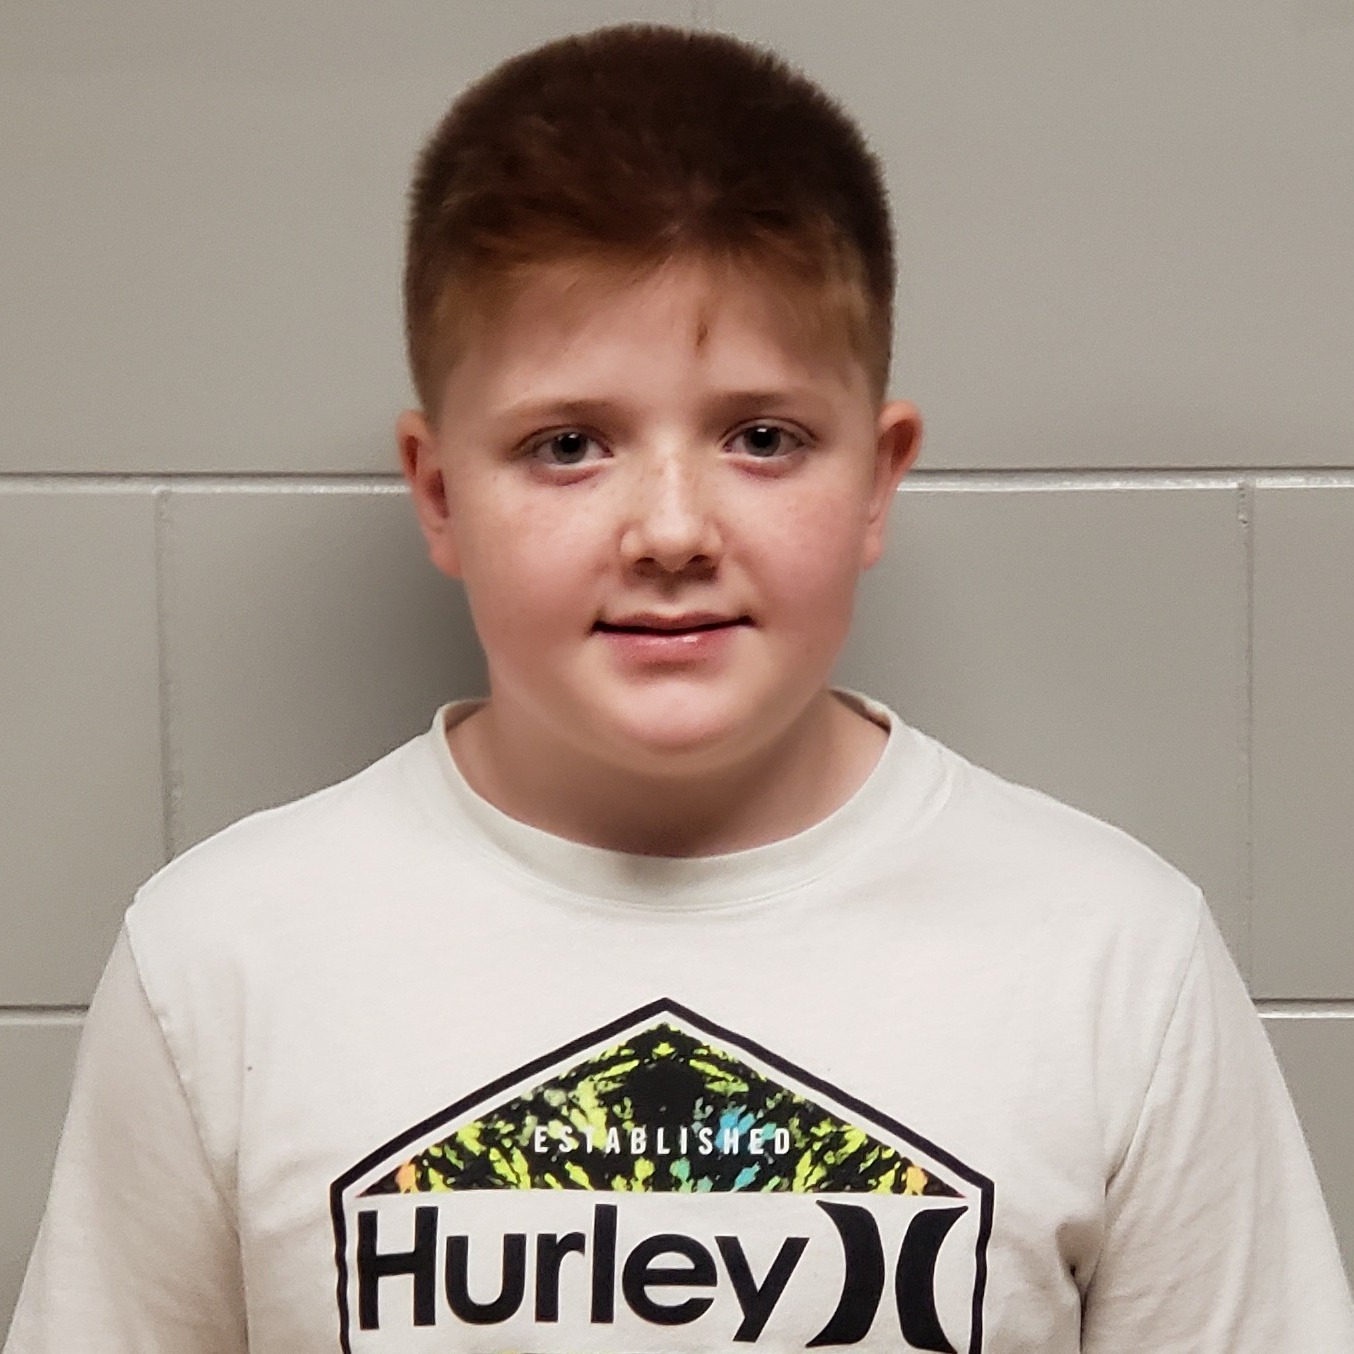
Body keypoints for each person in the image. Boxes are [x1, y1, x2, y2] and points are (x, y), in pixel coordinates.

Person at [6, 22, 1352, 1354]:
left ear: (877, 478)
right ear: (436, 491)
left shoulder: (1111, 959)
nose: (668, 529)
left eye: (761, 437)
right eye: (567, 444)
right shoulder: (223, 962)